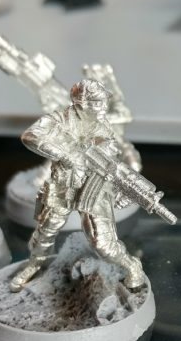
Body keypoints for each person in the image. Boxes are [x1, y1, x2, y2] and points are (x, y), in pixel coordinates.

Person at [10, 79, 144, 292]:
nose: (103, 107)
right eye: (96, 102)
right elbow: (30, 136)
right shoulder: (60, 119)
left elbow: (110, 161)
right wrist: (65, 154)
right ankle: (34, 265)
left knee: (103, 244)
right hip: (63, 187)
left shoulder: (102, 126)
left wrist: (122, 189)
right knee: (44, 234)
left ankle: (131, 266)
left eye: (103, 101)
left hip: (93, 189)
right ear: (80, 102)